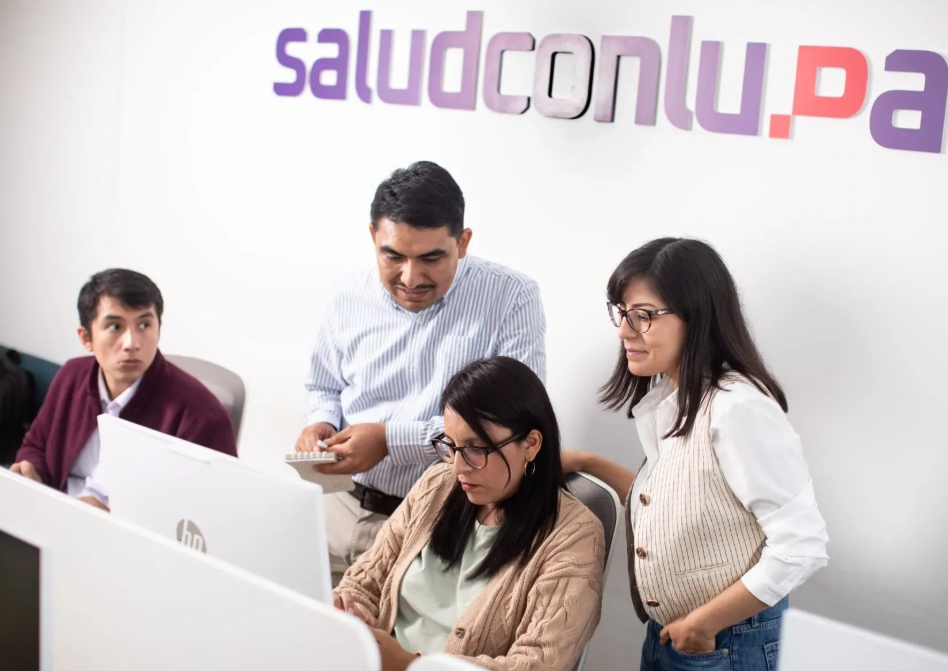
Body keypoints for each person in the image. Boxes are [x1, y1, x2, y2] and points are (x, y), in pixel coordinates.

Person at [562, 238, 829, 671]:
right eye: (622, 313)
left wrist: (702, 626)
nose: (624, 331)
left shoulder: (738, 407)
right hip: (675, 635)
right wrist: (587, 462)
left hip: (724, 641)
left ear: (697, 316)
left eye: (643, 316)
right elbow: (678, 507)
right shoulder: (673, 398)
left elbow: (802, 546)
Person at [294, 161, 546, 584]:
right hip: (336, 509)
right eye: (393, 256)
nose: (411, 277)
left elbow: (507, 426)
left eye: (432, 258)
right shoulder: (346, 294)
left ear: (462, 243)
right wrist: (319, 421)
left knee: (399, 650)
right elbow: (323, 385)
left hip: (439, 525)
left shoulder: (511, 298)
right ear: (373, 237)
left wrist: (391, 440)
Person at [335, 356, 603, 671]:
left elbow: (538, 664)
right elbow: (364, 581)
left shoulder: (574, 537)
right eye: (451, 445)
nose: (458, 467)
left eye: (477, 448)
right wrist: (350, 610)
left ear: (530, 444)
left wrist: (410, 665)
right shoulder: (437, 484)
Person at [10, 269, 237, 509]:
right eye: (115, 327)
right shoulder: (71, 376)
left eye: (144, 324)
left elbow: (213, 512)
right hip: (55, 518)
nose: (131, 343)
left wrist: (115, 517)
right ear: (86, 337)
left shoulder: (202, 414)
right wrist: (31, 471)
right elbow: (36, 445)